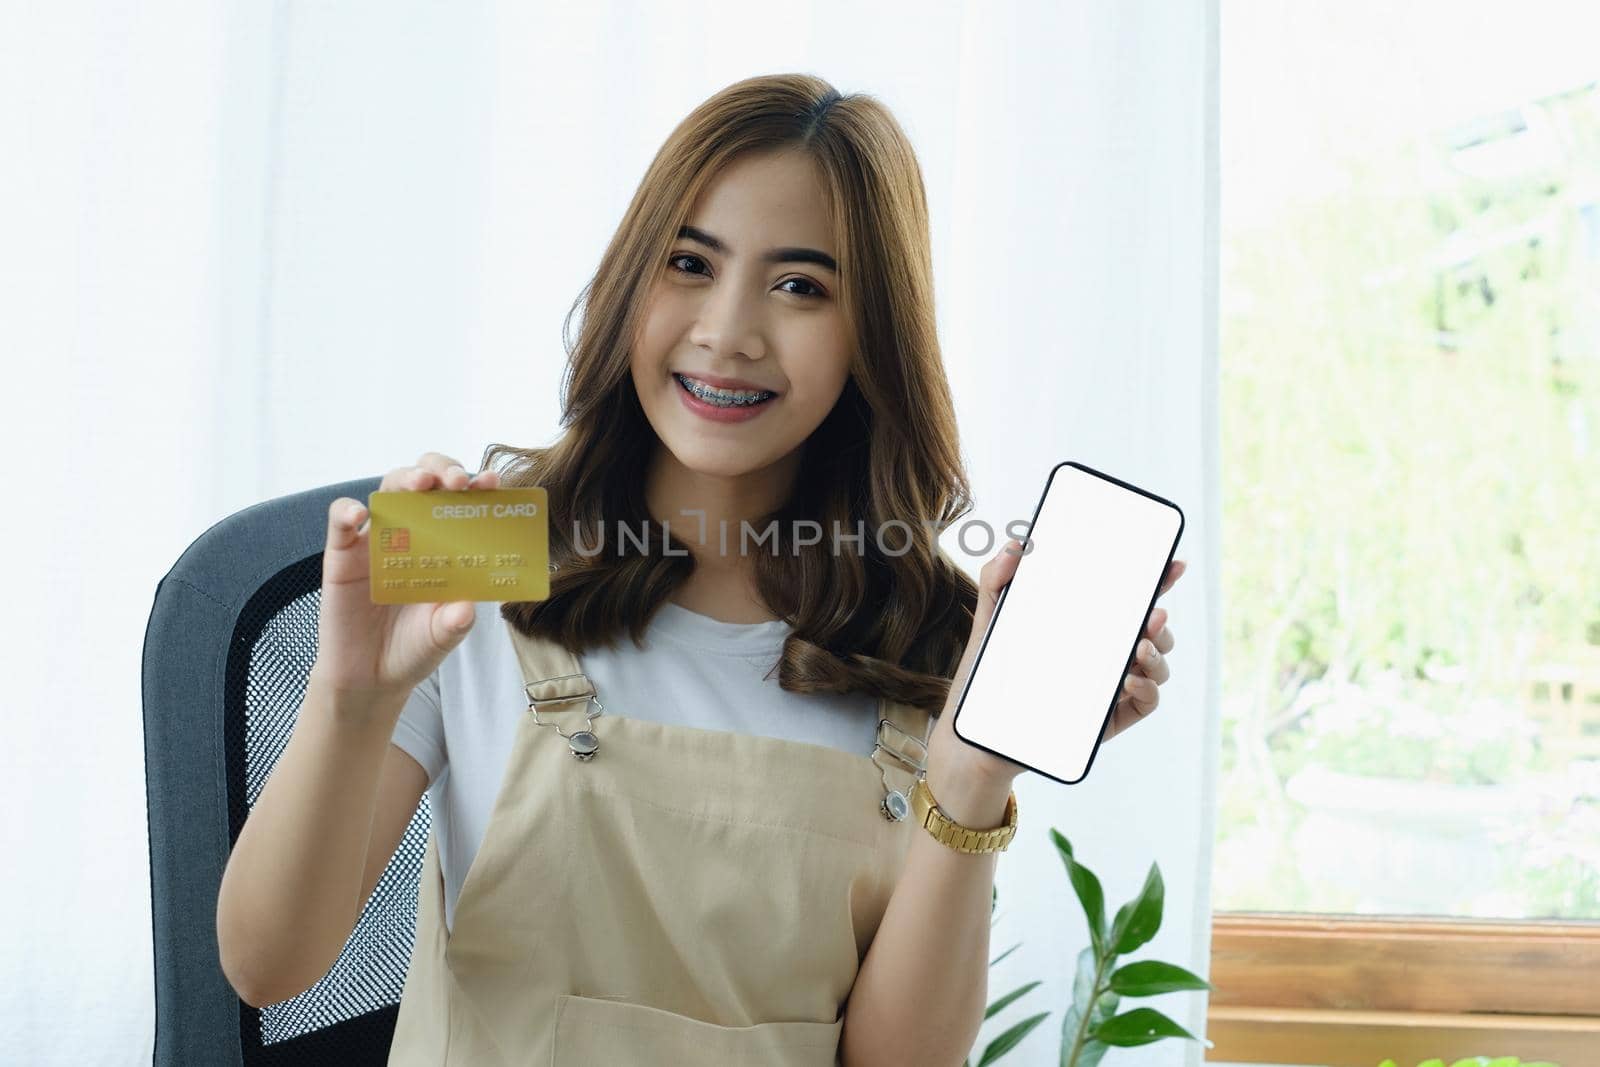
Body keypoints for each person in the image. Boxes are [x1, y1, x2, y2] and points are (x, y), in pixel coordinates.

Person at [217, 72, 1185, 1066]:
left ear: (872, 335)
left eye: (801, 285)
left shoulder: (928, 639)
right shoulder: (483, 546)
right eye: (689, 263)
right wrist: (351, 699)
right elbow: (269, 966)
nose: (729, 330)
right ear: (632, 281)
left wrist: (970, 778)